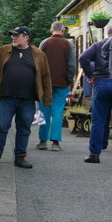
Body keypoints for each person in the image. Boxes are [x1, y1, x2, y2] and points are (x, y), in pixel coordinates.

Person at [0, 26, 52, 169]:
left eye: (17, 35)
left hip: (28, 99)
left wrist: (47, 99)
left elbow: (45, 77)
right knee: (2, 125)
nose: (14, 37)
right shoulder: (4, 50)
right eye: (13, 35)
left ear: (26, 37)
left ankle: (20, 157)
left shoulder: (38, 54)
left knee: (24, 128)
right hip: (6, 97)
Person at [79, 24, 112, 163]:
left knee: (98, 120)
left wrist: (90, 75)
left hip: (101, 82)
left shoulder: (98, 45)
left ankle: (94, 154)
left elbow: (83, 58)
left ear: (107, 34)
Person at [36, 21, 76, 151]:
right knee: (58, 112)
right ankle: (55, 143)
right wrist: (69, 79)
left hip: (45, 83)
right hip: (62, 82)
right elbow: (72, 65)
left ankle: (42, 141)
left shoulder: (44, 43)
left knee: (45, 110)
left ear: (51, 30)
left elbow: (38, 62)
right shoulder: (68, 44)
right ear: (63, 30)